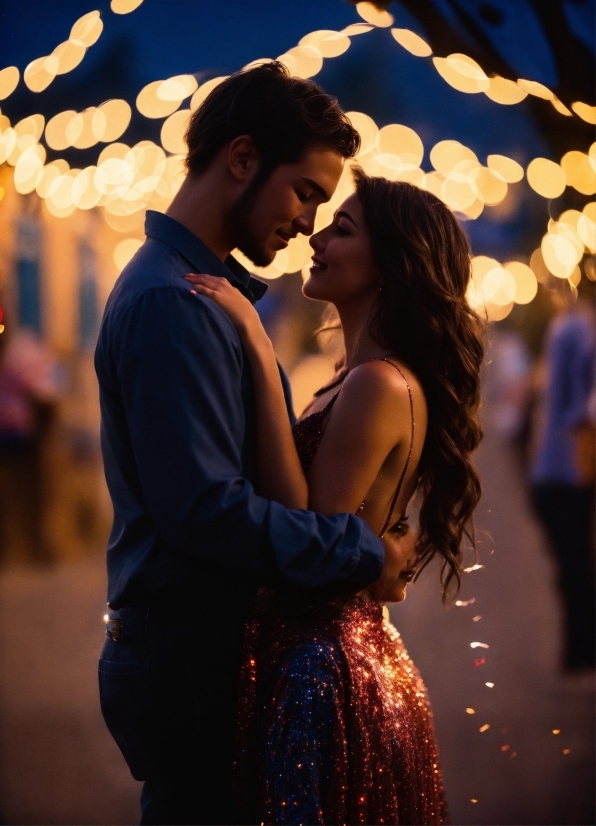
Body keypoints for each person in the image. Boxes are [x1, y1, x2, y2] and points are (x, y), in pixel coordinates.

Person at [94, 63, 387, 826]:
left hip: (193, 648)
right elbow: (207, 511)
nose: (308, 224)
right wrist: (356, 550)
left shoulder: (198, 291)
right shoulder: (174, 303)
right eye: (306, 193)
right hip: (188, 656)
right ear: (244, 158)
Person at [186, 168, 485, 824]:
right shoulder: (355, 378)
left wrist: (258, 353)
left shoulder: (377, 383)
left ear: (393, 265)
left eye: (344, 229)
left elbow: (307, 531)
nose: (317, 237)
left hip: (322, 669)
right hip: (318, 653)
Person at [530, 275, 595, 671]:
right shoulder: (580, 330)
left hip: (557, 467)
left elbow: (573, 404)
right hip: (566, 466)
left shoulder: (571, 328)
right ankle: (580, 650)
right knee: (576, 563)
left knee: (572, 565)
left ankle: (579, 650)